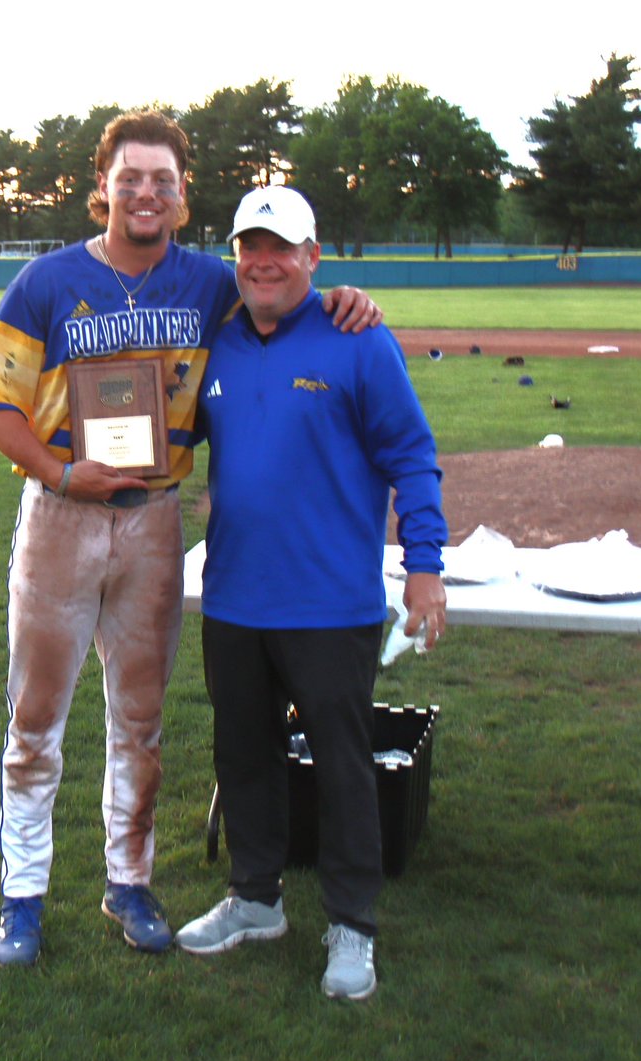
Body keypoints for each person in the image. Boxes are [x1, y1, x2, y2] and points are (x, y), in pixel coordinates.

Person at [0, 112, 380, 967]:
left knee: (140, 721)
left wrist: (344, 299)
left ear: (182, 200)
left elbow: (280, 303)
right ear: (102, 186)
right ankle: (23, 895)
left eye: (162, 181)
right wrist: (59, 471)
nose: (145, 192)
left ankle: (129, 881)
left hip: (153, 522)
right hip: (61, 519)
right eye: (130, 177)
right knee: (34, 720)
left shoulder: (210, 284)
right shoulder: (46, 279)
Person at [175, 186, 448, 1001]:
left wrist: (425, 565)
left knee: (341, 769)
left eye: (280, 248)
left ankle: (352, 924)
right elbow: (166, 436)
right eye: (249, 248)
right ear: (235, 256)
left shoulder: (358, 338)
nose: (264, 262)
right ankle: (255, 899)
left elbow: (412, 455)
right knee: (245, 757)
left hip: (330, 606)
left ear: (312, 257)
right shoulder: (217, 344)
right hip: (233, 600)